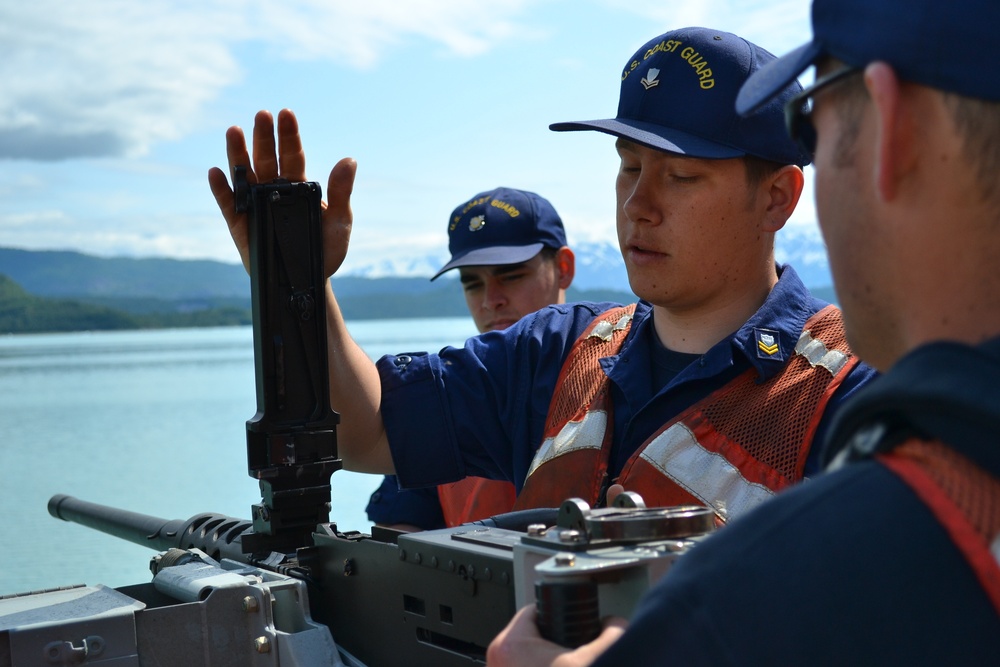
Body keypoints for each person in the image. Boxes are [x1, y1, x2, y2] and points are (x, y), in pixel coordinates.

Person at [487, 0, 1000, 664]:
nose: (640, 204)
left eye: (812, 118)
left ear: (891, 125)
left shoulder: (743, 610)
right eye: (628, 165)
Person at [208, 26, 877, 534]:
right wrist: (295, 281)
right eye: (627, 166)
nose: (639, 203)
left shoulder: (852, 393)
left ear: (777, 199)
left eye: (681, 175)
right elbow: (363, 430)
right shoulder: (557, 351)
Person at [366, 187, 575, 530]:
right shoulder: (449, 403)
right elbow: (396, 542)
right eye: (472, 283)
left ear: (563, 268)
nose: (491, 300)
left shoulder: (620, 378)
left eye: (511, 275)